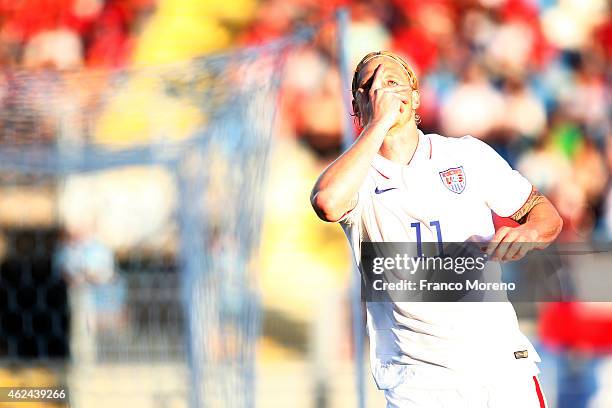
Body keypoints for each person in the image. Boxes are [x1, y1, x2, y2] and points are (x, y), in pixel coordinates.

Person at [310, 51, 563, 407]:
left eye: (391, 82)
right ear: (356, 104)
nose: (380, 91)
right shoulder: (356, 176)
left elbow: (543, 213)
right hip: (421, 382)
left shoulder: (466, 155)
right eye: (368, 86)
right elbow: (327, 203)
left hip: (500, 369)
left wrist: (530, 233)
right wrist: (377, 123)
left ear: (414, 97)